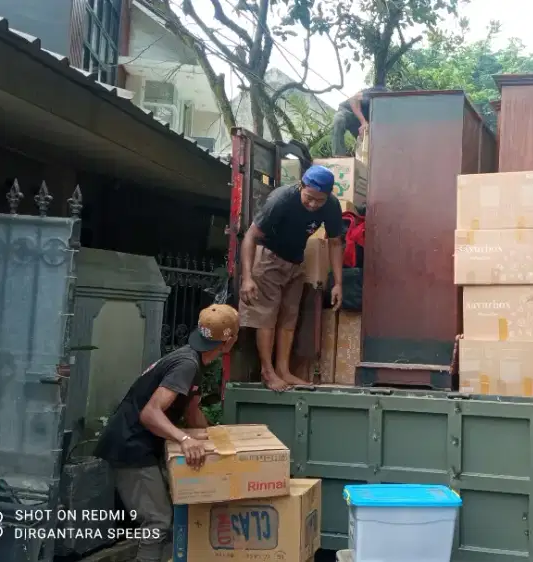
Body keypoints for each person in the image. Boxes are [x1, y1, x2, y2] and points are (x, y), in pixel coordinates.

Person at [93, 304, 239, 562]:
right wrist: (184, 439)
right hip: (131, 447)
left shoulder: (195, 360)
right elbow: (150, 413)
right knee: (157, 522)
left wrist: (220, 441)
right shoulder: (186, 364)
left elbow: (193, 414)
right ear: (229, 341)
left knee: (165, 522)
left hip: (139, 445)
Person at [239, 165, 344, 391]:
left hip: (296, 262)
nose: (314, 204)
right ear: (301, 186)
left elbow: (336, 242)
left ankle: (283, 370)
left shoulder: (332, 206)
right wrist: (247, 277)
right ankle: (268, 372)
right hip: (268, 259)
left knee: (289, 318)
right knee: (266, 317)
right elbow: (250, 236)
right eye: (309, 198)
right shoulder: (281, 199)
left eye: (320, 200)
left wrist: (338, 283)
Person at [331, 85, 388, 157]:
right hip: (349, 111)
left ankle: (361, 162)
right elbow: (353, 100)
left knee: (366, 142)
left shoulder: (387, 112)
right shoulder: (377, 92)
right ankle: (338, 156)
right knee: (338, 120)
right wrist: (363, 122)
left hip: (361, 121)